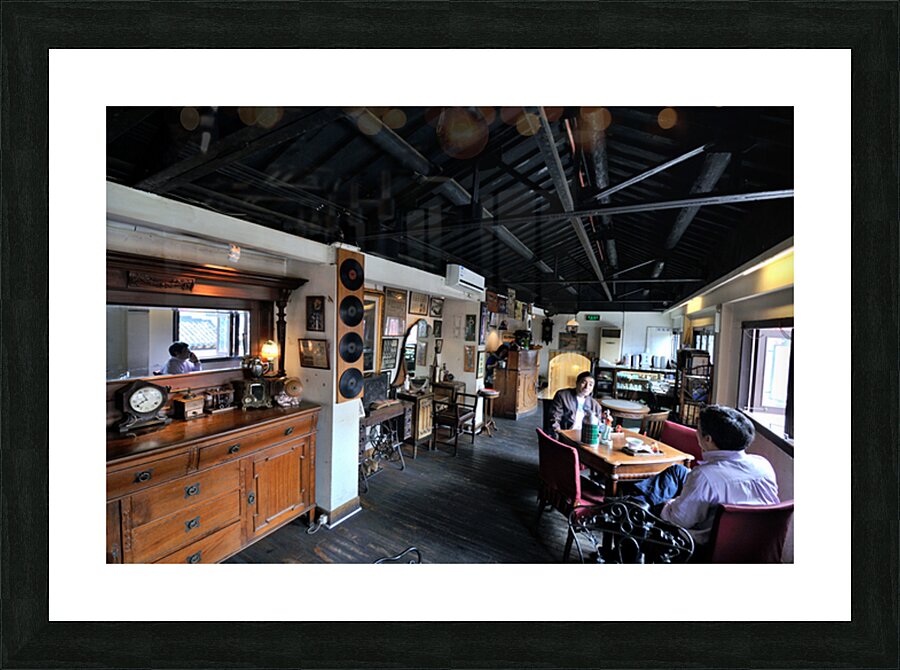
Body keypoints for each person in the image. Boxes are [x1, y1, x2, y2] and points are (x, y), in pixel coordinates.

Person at [628, 404, 779, 546]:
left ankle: (632, 507)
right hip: (755, 543)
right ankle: (635, 501)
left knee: (641, 512)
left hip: (704, 545)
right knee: (677, 471)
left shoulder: (705, 476)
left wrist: (670, 502)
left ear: (708, 439)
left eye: (698, 430)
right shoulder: (763, 464)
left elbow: (677, 520)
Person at [549, 370, 603, 435]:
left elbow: (598, 426)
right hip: (566, 434)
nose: (587, 387)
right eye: (584, 382)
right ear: (577, 382)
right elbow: (554, 418)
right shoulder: (562, 396)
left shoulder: (595, 405)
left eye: (590, 385)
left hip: (586, 436)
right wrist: (560, 433)